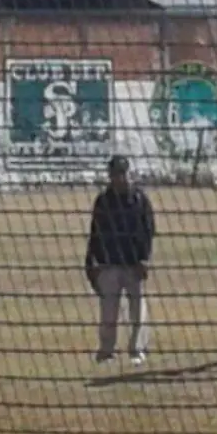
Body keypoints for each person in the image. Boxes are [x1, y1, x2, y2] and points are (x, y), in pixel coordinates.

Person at [84, 156, 155, 366]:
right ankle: (106, 351)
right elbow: (95, 233)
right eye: (115, 174)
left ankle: (137, 349)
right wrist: (91, 262)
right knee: (108, 310)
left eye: (122, 174)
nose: (119, 179)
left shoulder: (139, 199)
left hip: (133, 264)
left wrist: (145, 258)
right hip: (109, 263)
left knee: (137, 310)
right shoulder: (103, 201)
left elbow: (149, 231)